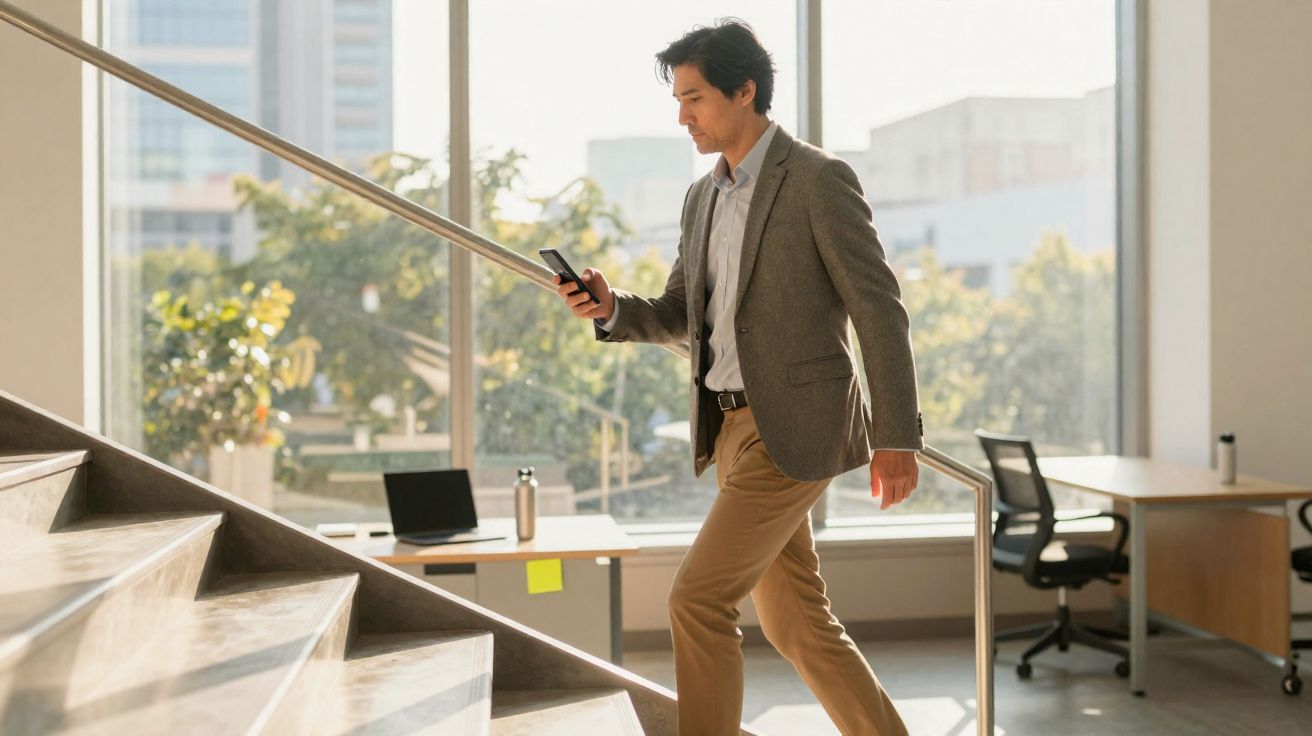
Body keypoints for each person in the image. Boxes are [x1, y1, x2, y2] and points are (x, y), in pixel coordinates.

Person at [552, 19, 921, 736]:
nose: (681, 115)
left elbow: (880, 311)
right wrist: (611, 307)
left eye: (694, 98)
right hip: (728, 432)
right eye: (679, 99)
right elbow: (683, 313)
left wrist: (896, 436)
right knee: (798, 624)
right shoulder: (703, 197)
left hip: (798, 426)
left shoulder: (818, 180)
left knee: (696, 600)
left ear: (744, 91)